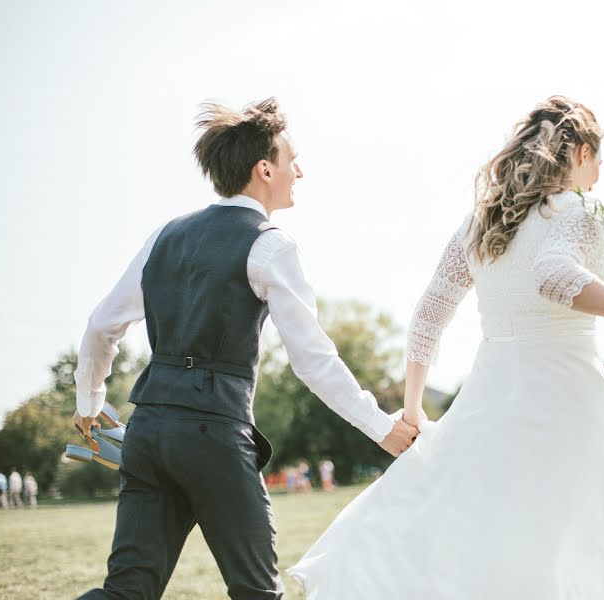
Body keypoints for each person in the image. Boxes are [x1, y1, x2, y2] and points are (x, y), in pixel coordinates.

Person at [288, 96, 604, 599]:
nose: (599, 175)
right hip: (566, 400)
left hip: (487, 402)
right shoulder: (577, 211)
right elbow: (554, 277)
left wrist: (412, 412)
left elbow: (427, 317)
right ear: (579, 153)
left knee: (496, 540)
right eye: (598, 160)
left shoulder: (480, 225)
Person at [73, 97, 418, 600]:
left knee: (126, 592)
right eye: (290, 160)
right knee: (257, 593)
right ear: (264, 169)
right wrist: (383, 428)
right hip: (212, 433)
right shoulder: (272, 244)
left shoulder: (165, 235)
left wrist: (89, 405)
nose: (299, 170)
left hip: (145, 432)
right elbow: (313, 361)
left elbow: (101, 326)